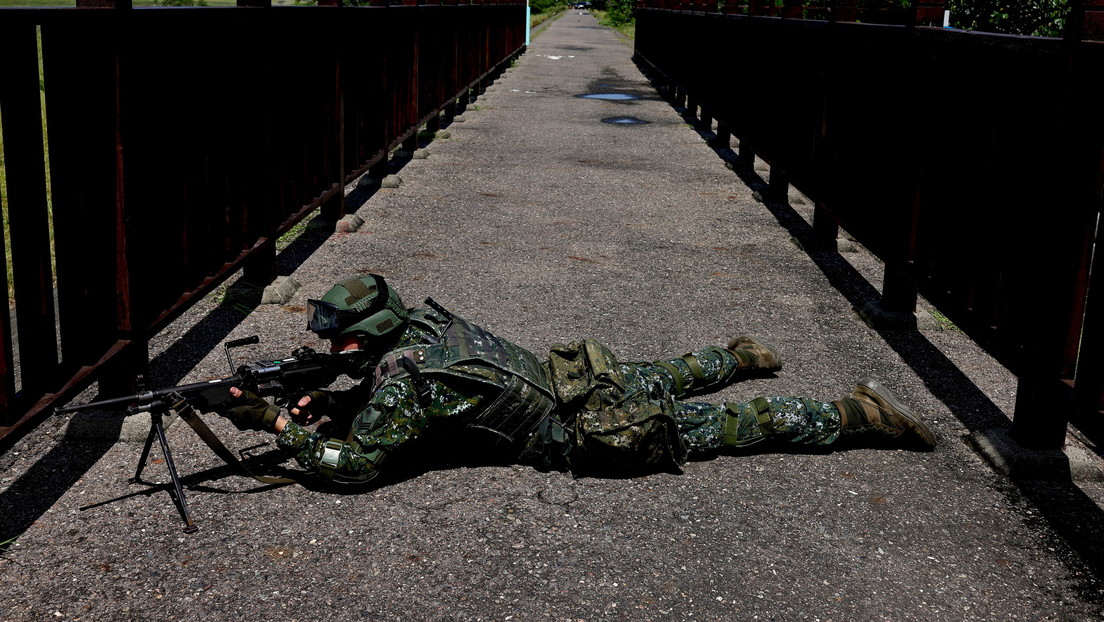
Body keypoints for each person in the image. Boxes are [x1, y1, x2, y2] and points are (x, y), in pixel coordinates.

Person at [222, 274, 935, 485]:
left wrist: (278, 425)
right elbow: (413, 392)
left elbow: (358, 465)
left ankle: (860, 416)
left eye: (340, 336)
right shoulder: (426, 327)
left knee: (720, 428)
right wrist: (344, 396)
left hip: (571, 429)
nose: (330, 345)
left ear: (370, 335)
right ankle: (743, 356)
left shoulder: (402, 383)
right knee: (663, 373)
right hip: (565, 378)